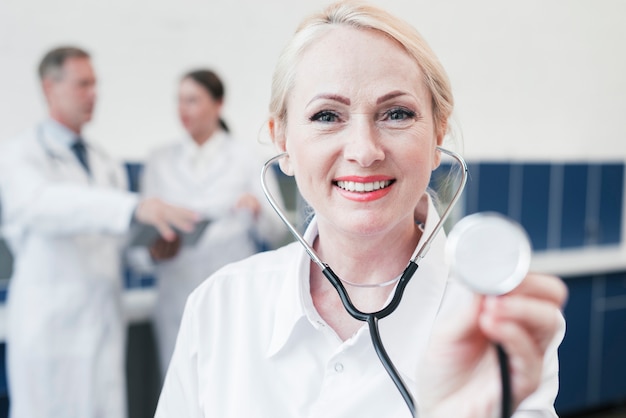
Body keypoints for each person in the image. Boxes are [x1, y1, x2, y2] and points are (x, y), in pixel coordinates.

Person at [154, 2, 567, 417]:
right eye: (327, 115)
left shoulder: (497, 324)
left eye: (397, 113)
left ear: (438, 130)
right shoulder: (219, 305)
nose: (365, 151)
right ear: (283, 142)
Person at [0, 46, 199, 418]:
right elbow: (43, 205)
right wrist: (133, 208)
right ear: (49, 88)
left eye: (95, 85)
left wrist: (151, 251)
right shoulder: (20, 155)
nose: (93, 94)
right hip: (50, 329)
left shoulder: (105, 163)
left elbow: (119, 245)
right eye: (82, 85)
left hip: (103, 326)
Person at [139, 69, 286, 377]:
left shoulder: (246, 156)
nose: (183, 109)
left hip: (232, 294)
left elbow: (277, 229)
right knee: (181, 388)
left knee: (230, 383)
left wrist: (256, 210)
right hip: (176, 292)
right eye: (179, 101)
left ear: (218, 104)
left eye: (192, 100)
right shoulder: (158, 159)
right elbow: (143, 240)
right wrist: (153, 251)